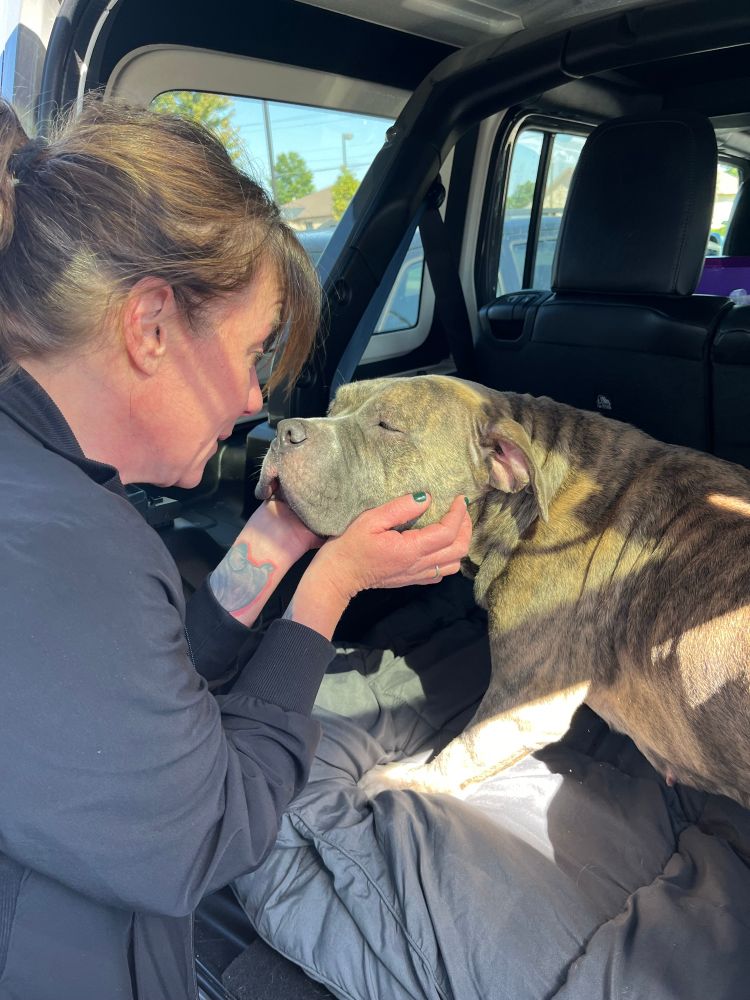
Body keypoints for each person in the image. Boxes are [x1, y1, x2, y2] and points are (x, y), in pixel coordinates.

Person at [0, 97, 472, 1000]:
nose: (257, 398)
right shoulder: (69, 550)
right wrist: (327, 589)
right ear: (150, 329)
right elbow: (209, 830)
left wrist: (279, 535)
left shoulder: (43, 490)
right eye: (257, 352)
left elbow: (152, 676)